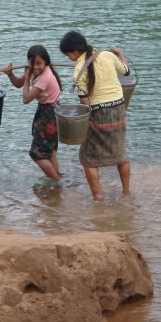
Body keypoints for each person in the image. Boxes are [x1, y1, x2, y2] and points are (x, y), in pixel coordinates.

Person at [59, 30, 131, 200]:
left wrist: (85, 122)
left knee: (88, 158)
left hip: (99, 112)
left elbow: (85, 103)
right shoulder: (107, 55)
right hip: (119, 108)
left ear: (75, 50)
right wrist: (119, 53)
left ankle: (98, 198)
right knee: (120, 153)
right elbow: (126, 71)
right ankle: (126, 193)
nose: (69, 58)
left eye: (68, 54)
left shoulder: (78, 70)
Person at [1, 45, 63, 181]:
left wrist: (28, 74)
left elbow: (26, 99)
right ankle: (56, 178)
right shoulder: (38, 71)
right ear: (29, 62)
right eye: (32, 64)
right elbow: (18, 84)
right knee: (50, 150)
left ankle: (56, 181)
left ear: (46, 62)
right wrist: (10, 74)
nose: (36, 67)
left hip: (49, 115)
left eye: (39, 63)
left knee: (37, 154)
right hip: (49, 111)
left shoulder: (44, 77)